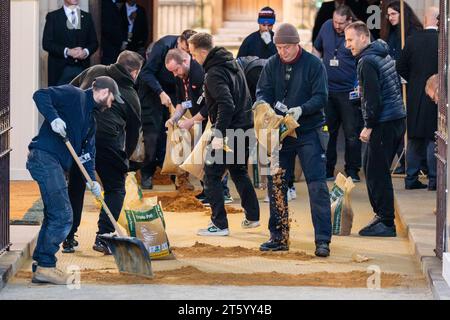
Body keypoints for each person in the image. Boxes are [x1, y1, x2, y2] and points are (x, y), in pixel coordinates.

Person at [27, 76, 120, 284]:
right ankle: (46, 266)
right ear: (104, 92)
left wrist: (92, 180)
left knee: (54, 214)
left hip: (56, 164)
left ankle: (42, 263)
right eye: (113, 99)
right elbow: (40, 95)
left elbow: (87, 153)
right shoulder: (73, 94)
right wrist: (53, 118)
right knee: (63, 215)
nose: (112, 104)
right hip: (44, 157)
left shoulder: (90, 122)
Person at [256, 23, 332, 257]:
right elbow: (262, 91)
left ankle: (322, 240)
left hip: (309, 130)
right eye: (278, 47)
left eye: (286, 47)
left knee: (316, 185)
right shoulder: (271, 64)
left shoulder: (313, 65)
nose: (282, 52)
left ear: (297, 44)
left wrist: (302, 109)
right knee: (277, 183)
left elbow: (321, 96)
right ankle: (279, 237)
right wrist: (263, 105)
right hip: (281, 133)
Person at [63, 51, 145, 254]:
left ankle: (68, 237)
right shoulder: (130, 94)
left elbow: (68, 92)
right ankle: (103, 236)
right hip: (107, 143)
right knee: (116, 188)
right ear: (134, 72)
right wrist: (125, 157)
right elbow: (134, 131)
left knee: (76, 185)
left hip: (79, 138)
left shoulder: (94, 71)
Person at [188, 33, 260, 236]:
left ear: (203, 51)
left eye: (193, 54)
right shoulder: (233, 64)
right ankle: (253, 217)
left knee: (211, 175)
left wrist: (219, 135)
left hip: (229, 133)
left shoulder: (213, 73)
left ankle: (219, 225)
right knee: (238, 171)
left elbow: (226, 104)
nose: (194, 58)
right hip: (244, 127)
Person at [345, 21, 406, 237]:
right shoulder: (381, 52)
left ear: (363, 38)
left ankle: (386, 221)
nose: (347, 45)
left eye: (350, 40)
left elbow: (373, 98)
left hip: (384, 122)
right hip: (396, 118)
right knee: (371, 167)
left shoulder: (367, 61)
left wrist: (368, 126)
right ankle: (382, 215)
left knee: (376, 171)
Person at [137, 30, 197, 190]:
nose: (186, 54)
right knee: (153, 134)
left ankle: (176, 177)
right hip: (152, 90)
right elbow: (146, 73)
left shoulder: (188, 58)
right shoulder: (162, 46)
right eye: (184, 49)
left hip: (172, 90)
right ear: (179, 41)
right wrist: (160, 93)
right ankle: (147, 173)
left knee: (172, 133)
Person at [313, 5, 362, 182]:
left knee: (351, 133)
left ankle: (353, 170)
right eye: (335, 22)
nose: (337, 26)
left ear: (349, 21)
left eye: (341, 23)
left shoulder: (356, 32)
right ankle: (328, 169)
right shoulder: (326, 26)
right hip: (328, 90)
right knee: (328, 132)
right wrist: (315, 71)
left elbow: (363, 58)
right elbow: (317, 49)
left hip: (349, 92)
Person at [397, 7, 439, 191]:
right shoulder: (443, 42)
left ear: (425, 19)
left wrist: (414, 80)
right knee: (432, 137)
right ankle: (434, 180)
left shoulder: (412, 40)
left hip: (414, 95)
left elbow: (400, 67)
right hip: (437, 94)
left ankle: (411, 178)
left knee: (413, 137)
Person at [380, 1, 423, 175]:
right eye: (388, 15)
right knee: (396, 123)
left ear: (402, 14)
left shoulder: (412, 34)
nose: (390, 18)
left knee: (408, 123)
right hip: (393, 84)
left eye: (393, 14)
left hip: (409, 85)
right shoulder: (389, 34)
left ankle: (412, 162)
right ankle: (403, 159)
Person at [42, 0, 98, 86]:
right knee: (59, 98)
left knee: (80, 99)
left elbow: (94, 43)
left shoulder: (87, 17)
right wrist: (67, 51)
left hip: (82, 70)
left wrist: (85, 52)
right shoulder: (53, 16)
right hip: (60, 71)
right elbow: (47, 44)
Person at [101, 0, 128, 65]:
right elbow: (107, 28)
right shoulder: (104, 3)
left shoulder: (121, 3)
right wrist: (120, 42)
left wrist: (124, 40)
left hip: (118, 47)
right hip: (109, 46)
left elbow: (124, 23)